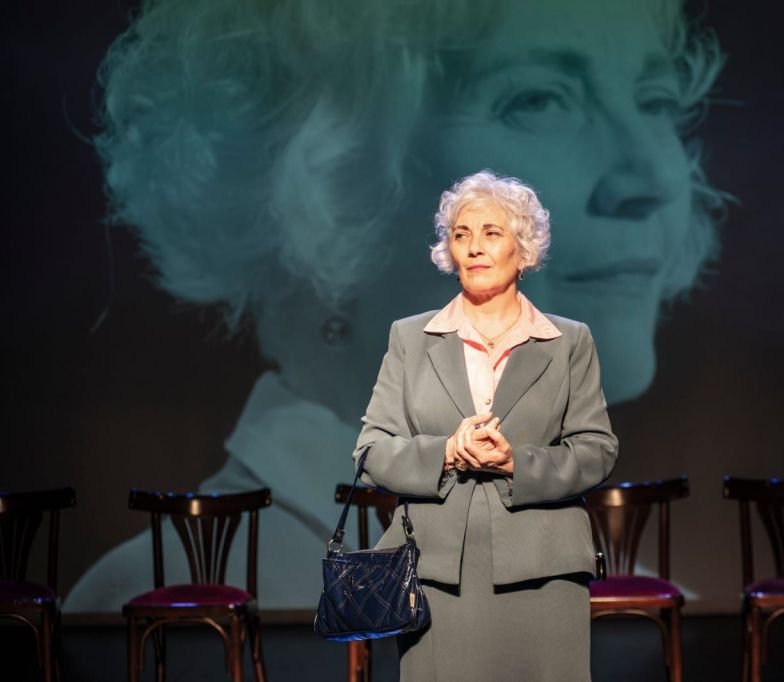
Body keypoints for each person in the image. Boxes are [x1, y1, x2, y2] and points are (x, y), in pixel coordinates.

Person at [67, 0, 724, 611]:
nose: (654, 178)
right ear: (320, 170)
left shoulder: (646, 608)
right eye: (536, 100)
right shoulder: (179, 604)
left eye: (655, 99)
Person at [356, 170, 617, 681]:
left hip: (545, 570)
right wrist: (446, 453)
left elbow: (597, 450)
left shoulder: (569, 341)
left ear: (523, 250)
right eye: (461, 234)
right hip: (437, 575)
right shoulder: (411, 338)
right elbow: (371, 450)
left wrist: (517, 462)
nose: (474, 247)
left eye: (491, 233)